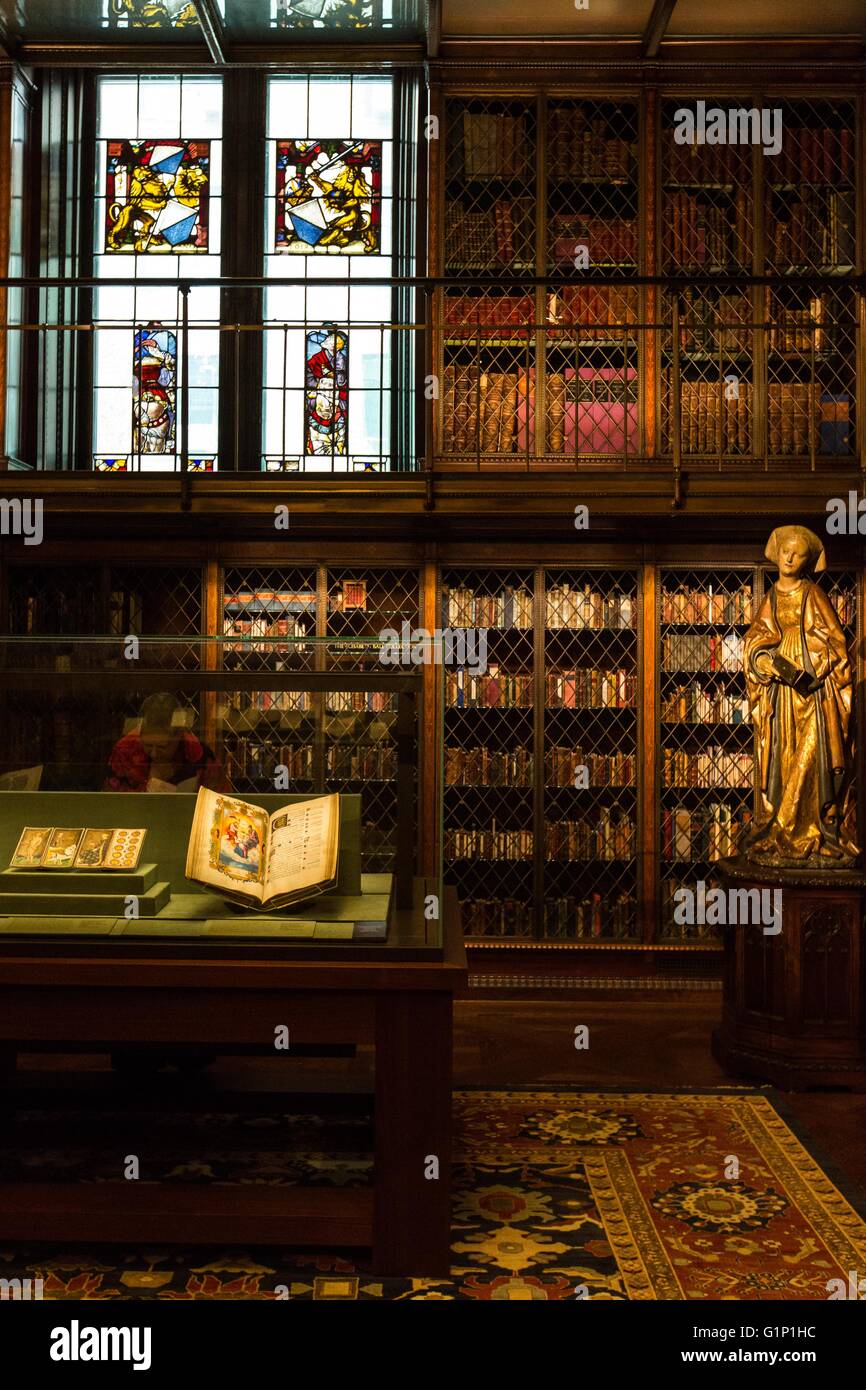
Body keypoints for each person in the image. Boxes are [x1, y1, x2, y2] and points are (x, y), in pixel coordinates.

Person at [743, 524, 859, 867]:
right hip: (781, 697)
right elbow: (755, 637)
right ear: (777, 554)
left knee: (811, 761)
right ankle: (780, 827)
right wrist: (763, 658)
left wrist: (814, 658)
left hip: (813, 696)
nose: (790, 557)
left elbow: (837, 643)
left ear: (807, 561)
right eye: (785, 551)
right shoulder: (771, 597)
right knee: (781, 759)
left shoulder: (814, 594)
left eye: (798, 554)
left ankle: (808, 830)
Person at [104, 692, 227, 793]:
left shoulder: (196, 752)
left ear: (179, 735)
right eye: (148, 745)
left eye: (162, 746)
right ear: (140, 732)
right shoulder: (124, 751)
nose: (154, 753)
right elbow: (112, 802)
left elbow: (220, 798)